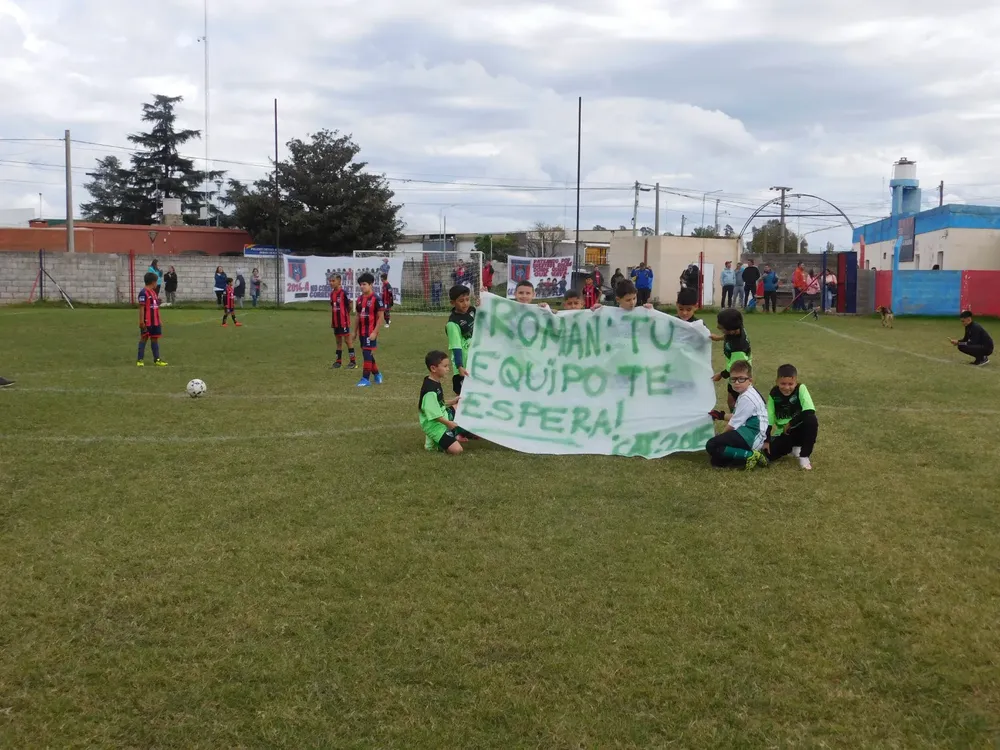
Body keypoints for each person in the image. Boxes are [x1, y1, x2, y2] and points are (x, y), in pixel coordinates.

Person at [705, 360, 769, 470]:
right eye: (733, 379)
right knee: (717, 458)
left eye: (741, 378)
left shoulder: (747, 398)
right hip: (748, 433)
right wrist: (720, 415)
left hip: (751, 437)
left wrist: (720, 437)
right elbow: (737, 416)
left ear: (750, 380)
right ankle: (745, 457)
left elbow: (733, 424)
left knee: (711, 445)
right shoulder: (747, 392)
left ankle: (750, 455)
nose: (737, 382)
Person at [765, 363, 818, 471]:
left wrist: (790, 423)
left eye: (790, 384)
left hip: (798, 428)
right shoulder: (773, 393)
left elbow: (809, 410)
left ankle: (804, 456)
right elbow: (769, 417)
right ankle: (793, 447)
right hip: (784, 433)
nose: (787, 387)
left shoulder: (801, 388)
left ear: (796, 382)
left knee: (811, 419)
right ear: (777, 381)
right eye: (783, 383)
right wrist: (766, 439)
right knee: (768, 455)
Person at [419, 351, 464, 454]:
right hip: (434, 425)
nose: (448, 369)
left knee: (460, 407)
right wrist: (449, 423)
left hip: (442, 415)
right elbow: (434, 415)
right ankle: (434, 445)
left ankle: (447, 435)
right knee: (457, 450)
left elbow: (438, 403)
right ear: (433, 368)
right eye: (445, 366)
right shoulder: (430, 390)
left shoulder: (434, 381)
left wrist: (452, 401)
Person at [711, 307, 752, 411]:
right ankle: (736, 418)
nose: (717, 327)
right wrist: (719, 338)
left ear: (731, 330)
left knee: (737, 401)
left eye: (721, 327)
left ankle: (739, 421)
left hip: (740, 375)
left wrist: (720, 375)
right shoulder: (737, 329)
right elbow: (728, 336)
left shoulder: (738, 347)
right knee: (731, 399)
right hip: (735, 373)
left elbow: (734, 366)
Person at [354, 272, 385, 387]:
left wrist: (375, 332)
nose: (362, 286)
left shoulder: (377, 299)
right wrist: (354, 332)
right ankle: (377, 374)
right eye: (361, 284)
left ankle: (365, 379)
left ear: (371, 284)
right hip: (362, 332)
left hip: (370, 332)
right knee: (367, 354)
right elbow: (357, 316)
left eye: (364, 284)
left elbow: (380, 317)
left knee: (367, 354)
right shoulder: (360, 299)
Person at [447, 284, 476, 394]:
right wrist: (459, 366)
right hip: (463, 366)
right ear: (453, 303)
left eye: (467, 299)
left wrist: (484, 299)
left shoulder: (472, 311)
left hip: (474, 361)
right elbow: (456, 346)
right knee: (463, 397)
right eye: (461, 301)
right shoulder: (452, 323)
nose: (465, 303)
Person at [136, 271, 167, 367]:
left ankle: (157, 359)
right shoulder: (143, 293)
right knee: (144, 339)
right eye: (156, 282)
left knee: (155, 339)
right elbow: (142, 308)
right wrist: (141, 321)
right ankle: (140, 360)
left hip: (155, 322)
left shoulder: (153, 293)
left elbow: (155, 307)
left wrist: (159, 319)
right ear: (152, 282)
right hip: (147, 322)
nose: (156, 284)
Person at [330, 274, 356, 369]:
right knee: (338, 342)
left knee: (347, 341)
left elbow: (349, 305)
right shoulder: (332, 294)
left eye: (333, 281)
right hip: (335, 322)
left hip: (343, 321)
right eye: (330, 281)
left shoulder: (344, 293)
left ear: (339, 281)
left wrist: (345, 315)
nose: (331, 283)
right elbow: (333, 306)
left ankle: (352, 361)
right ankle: (338, 362)